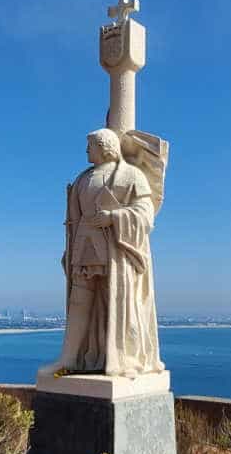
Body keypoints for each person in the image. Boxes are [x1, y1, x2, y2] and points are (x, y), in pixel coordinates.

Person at [43, 128, 164, 378]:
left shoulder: (131, 175)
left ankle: (122, 356)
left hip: (115, 250)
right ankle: (68, 357)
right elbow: (74, 220)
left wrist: (114, 217)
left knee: (118, 302)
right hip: (83, 247)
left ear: (104, 146)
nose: (86, 150)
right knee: (79, 302)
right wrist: (70, 248)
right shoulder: (82, 179)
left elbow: (146, 213)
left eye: (90, 145)